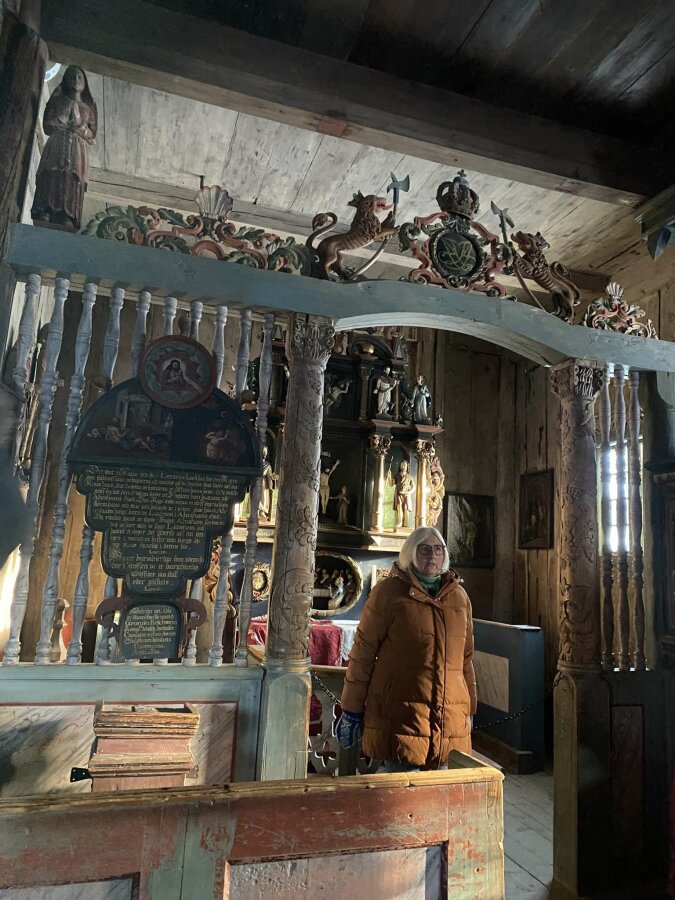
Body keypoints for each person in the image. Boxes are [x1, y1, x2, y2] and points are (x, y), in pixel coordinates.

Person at [336, 526, 477, 771]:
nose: (432, 555)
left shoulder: (459, 597)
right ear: (410, 552)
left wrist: (471, 709)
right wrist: (351, 709)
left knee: (441, 790)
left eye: (438, 549)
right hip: (401, 716)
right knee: (400, 786)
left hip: (449, 718)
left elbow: (465, 659)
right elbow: (363, 654)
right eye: (425, 549)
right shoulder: (388, 593)